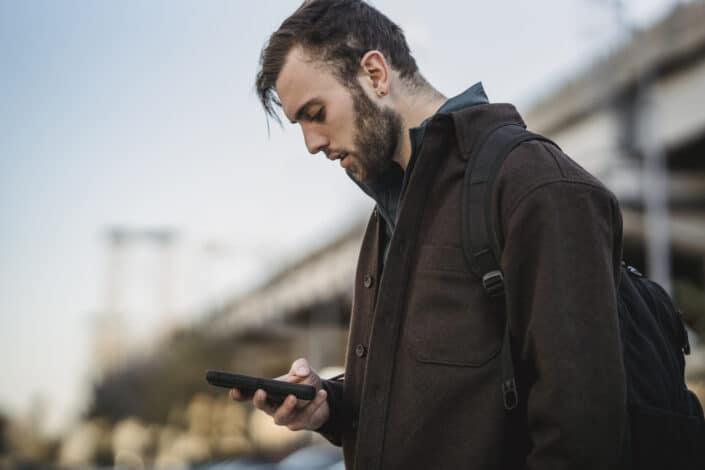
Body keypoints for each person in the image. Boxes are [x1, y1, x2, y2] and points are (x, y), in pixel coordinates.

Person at [231, 1, 627, 468]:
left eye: (316, 112)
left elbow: (582, 433)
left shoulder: (531, 183)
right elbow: (447, 403)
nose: (312, 144)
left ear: (375, 74)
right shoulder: (391, 216)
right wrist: (330, 407)